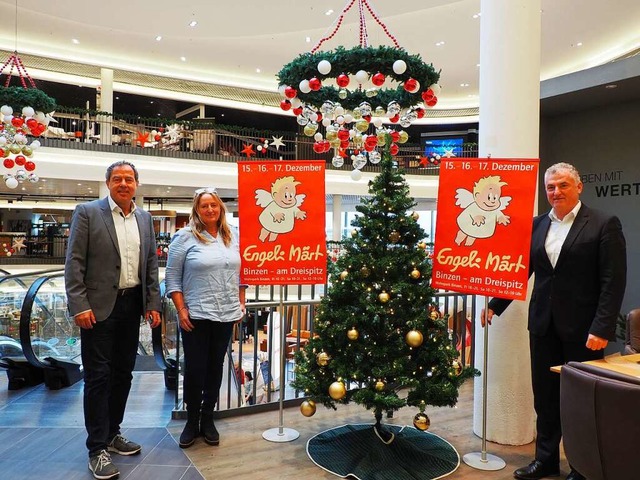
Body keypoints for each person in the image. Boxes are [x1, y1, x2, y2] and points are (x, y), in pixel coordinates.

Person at [483, 162, 626, 480]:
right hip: (543, 325)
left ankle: (582, 466)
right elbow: (522, 271)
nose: (556, 192)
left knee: (580, 401)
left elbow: (612, 281)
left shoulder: (603, 223)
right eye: (550, 187)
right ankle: (546, 460)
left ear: (578, 187)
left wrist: (602, 327)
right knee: (545, 398)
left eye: (562, 185)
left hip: (585, 331)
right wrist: (495, 305)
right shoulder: (536, 225)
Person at [65, 160, 162, 480]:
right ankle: (97, 449)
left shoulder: (145, 219)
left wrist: (153, 303)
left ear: (137, 184)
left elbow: (150, 265)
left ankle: (112, 433)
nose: (124, 184)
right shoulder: (88, 213)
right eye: (117, 179)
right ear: (107, 183)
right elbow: (74, 262)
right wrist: (78, 304)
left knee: (123, 374)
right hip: (97, 308)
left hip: (131, 306)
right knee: (98, 377)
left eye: (129, 179)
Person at [164, 187, 245, 448]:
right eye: (204, 206)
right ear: (196, 210)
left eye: (214, 205)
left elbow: (242, 274)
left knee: (215, 368)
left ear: (220, 208)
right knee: (196, 369)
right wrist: (181, 309)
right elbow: (172, 277)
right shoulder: (185, 237)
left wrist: (240, 302)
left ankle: (208, 419)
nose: (210, 209)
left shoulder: (232, 235)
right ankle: (192, 420)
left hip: (226, 314)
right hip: (196, 314)